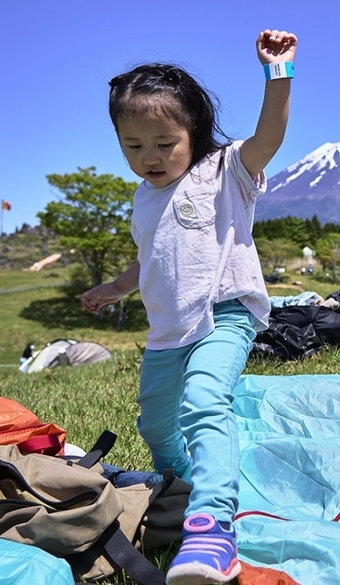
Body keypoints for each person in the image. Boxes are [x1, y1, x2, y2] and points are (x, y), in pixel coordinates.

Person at [80, 29, 297, 585]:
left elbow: (269, 136)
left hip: (225, 313)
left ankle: (213, 525)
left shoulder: (225, 172)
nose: (149, 157)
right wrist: (115, 287)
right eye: (133, 146)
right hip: (167, 331)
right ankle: (183, 487)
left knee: (205, 400)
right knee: (155, 423)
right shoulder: (143, 199)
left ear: (192, 133)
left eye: (163, 142)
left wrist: (278, 73)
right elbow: (150, 261)